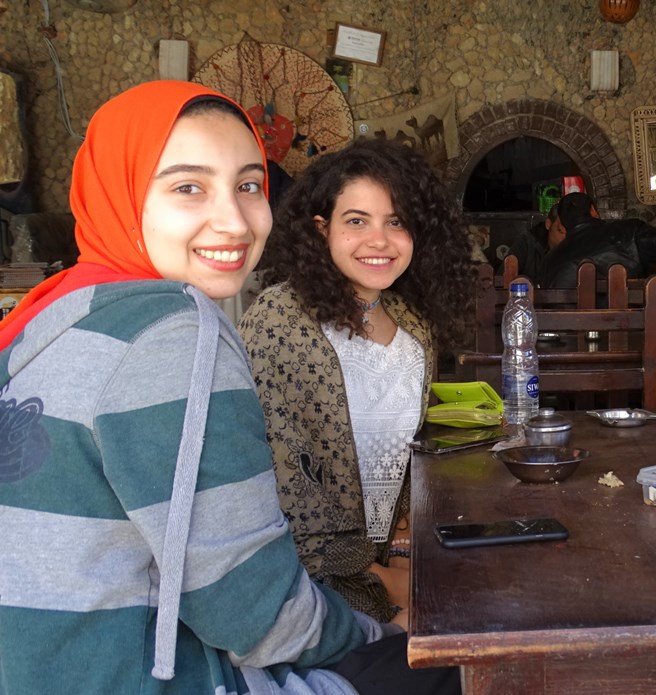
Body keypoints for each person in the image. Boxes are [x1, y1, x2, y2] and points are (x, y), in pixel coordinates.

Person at [0, 80, 458, 694]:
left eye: (247, 186)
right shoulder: (174, 332)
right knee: (462, 668)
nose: (233, 219)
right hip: (130, 672)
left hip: (48, 662)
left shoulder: (52, 318)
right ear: (122, 191)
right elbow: (250, 606)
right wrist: (378, 631)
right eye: (189, 187)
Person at [238, 138, 474, 634]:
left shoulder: (414, 327)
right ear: (321, 229)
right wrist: (384, 581)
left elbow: (412, 459)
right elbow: (285, 482)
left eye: (396, 221)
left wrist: (406, 556)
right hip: (304, 582)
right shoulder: (279, 323)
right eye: (357, 221)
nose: (380, 241)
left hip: (398, 564)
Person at [538, 192, 656, 288]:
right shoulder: (628, 231)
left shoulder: (548, 262)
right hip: (634, 329)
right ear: (593, 211)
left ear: (563, 224)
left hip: (578, 337)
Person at [504, 202, 565, 279]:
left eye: (570, 232)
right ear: (548, 224)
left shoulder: (578, 245)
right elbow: (504, 280)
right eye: (560, 231)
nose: (565, 237)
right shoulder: (526, 243)